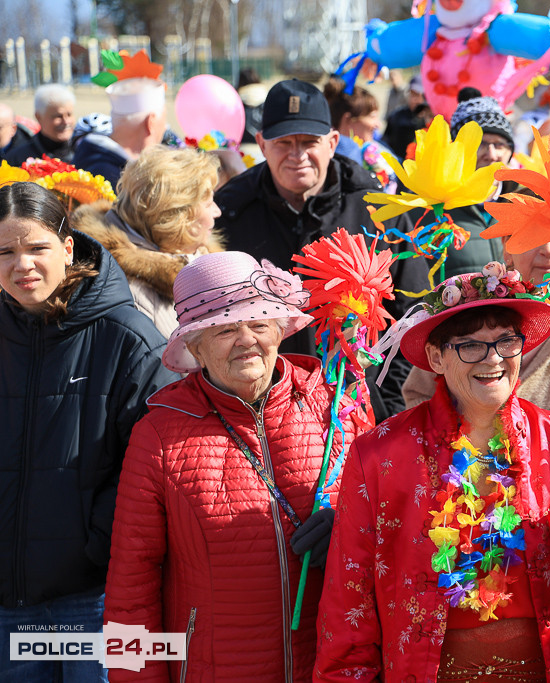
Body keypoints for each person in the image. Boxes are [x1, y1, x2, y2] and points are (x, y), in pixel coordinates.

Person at [314, 267, 550, 680]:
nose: (494, 358)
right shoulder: (379, 453)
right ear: (436, 358)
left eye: (505, 341)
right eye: (470, 346)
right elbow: (348, 597)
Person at [102, 251, 369, 681]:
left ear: (280, 331)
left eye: (260, 323)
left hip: (331, 666)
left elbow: (392, 530)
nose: (247, 339)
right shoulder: (159, 436)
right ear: (194, 347)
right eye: (225, 329)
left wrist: (350, 528)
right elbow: (130, 592)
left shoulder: (337, 409)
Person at [0, 181, 177, 680]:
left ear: (68, 246)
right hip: (8, 609)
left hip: (95, 601)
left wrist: (94, 543)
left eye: (37, 247)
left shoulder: (126, 335)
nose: (22, 265)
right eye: (6, 252)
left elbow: (151, 459)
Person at [214, 78, 427, 418]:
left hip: (357, 407)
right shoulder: (230, 212)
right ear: (261, 144)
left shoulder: (377, 208)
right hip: (259, 410)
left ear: (332, 142)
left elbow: (412, 313)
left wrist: (385, 396)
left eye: (309, 142)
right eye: (283, 143)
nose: (297, 155)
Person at [402, 238, 550, 433]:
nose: (549, 250)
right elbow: (419, 394)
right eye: (536, 234)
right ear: (508, 247)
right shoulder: (474, 304)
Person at [72, 145, 224, 337]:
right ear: (177, 217)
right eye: (209, 203)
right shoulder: (129, 293)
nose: (217, 211)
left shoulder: (199, 258)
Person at [433, 92, 516, 278]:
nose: (492, 154)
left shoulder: (525, 202)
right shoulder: (437, 206)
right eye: (481, 144)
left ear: (510, 152)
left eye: (500, 145)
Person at [75, 77, 168, 188]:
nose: (165, 127)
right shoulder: (112, 178)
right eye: (164, 119)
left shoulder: (90, 159)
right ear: (150, 122)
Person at [321, 81, 397, 192]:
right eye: (372, 116)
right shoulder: (337, 159)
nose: (378, 124)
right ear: (348, 120)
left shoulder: (374, 147)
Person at [3, 84, 76, 166]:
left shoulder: (85, 151)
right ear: (39, 117)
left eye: (69, 115)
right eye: (58, 116)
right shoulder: (18, 159)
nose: (66, 122)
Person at [382, 73, 431, 161]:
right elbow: (385, 142)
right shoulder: (396, 116)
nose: (414, 99)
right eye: (412, 94)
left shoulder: (432, 118)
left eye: (418, 94)